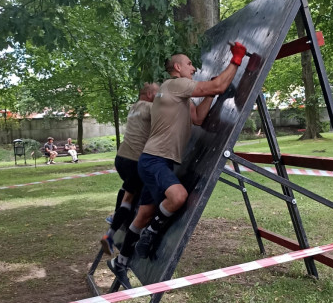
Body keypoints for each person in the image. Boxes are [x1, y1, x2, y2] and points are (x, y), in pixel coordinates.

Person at [107, 42, 247, 287]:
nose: (193, 68)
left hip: (155, 160)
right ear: (178, 67)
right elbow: (218, 84)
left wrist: (211, 94)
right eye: (190, 64)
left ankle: (119, 262)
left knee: (144, 213)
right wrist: (236, 60)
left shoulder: (173, 93)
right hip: (154, 160)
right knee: (178, 196)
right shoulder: (175, 84)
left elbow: (198, 118)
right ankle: (149, 235)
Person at [101, 83, 159, 256]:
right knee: (129, 197)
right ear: (149, 94)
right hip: (135, 160)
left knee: (129, 189)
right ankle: (111, 234)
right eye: (158, 93)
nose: (161, 96)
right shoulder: (151, 108)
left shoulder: (133, 107)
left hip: (121, 158)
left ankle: (117, 215)